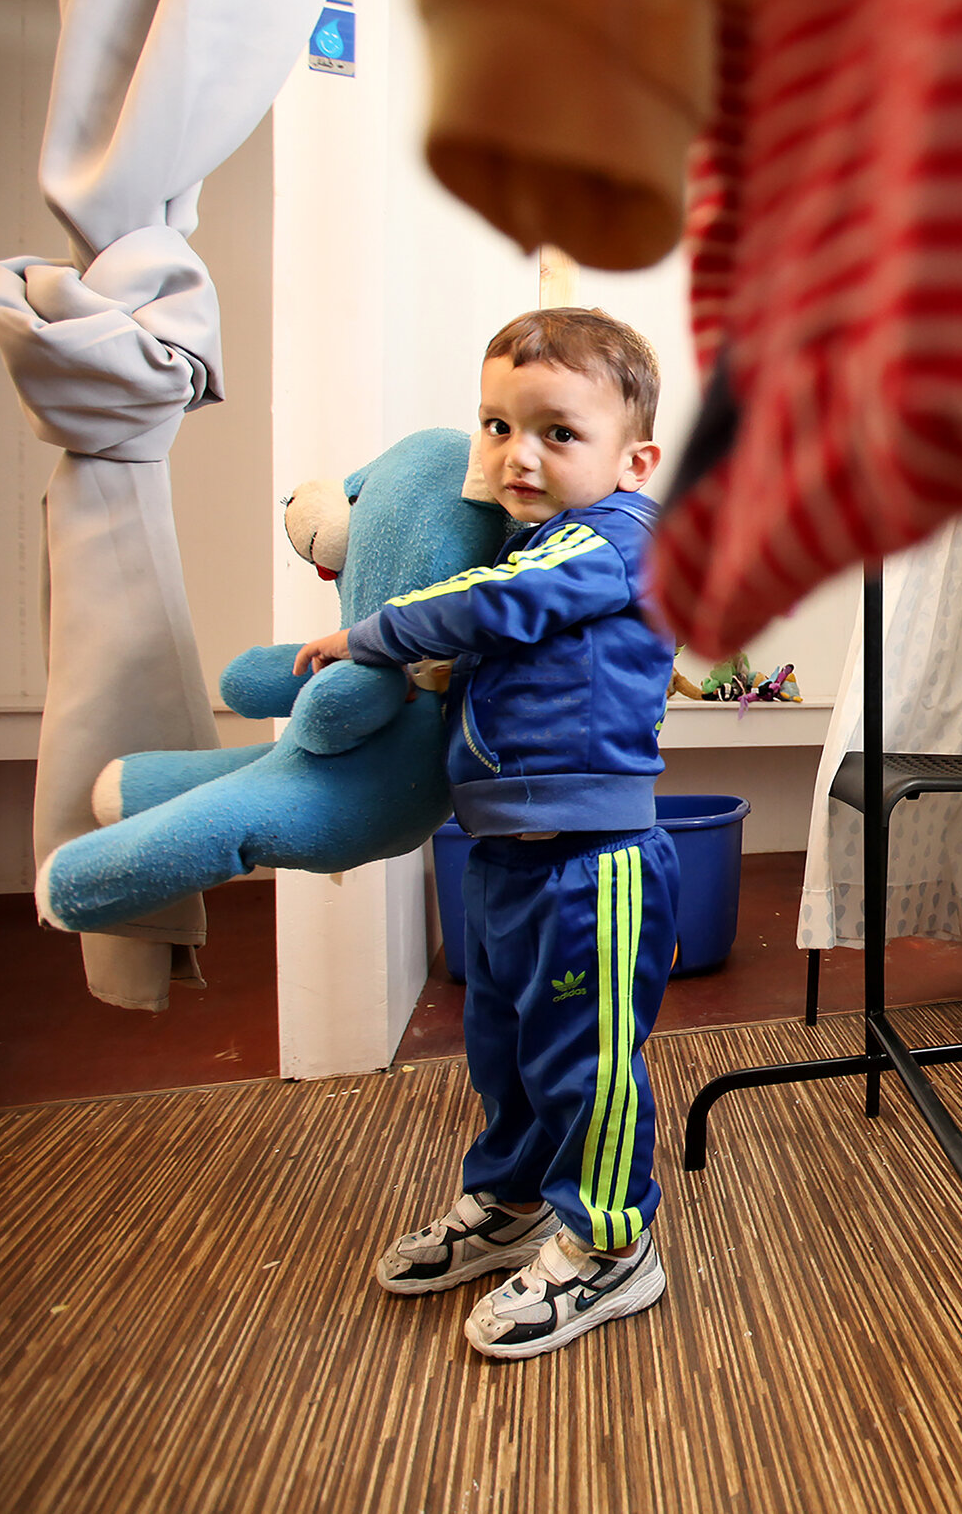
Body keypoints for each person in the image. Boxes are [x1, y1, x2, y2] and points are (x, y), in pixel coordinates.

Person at [294, 307, 677, 1360]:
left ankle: (611, 1242)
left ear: (632, 460)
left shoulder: (620, 539)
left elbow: (493, 604)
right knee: (503, 1050)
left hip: (593, 862)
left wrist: (370, 631)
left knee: (585, 1061)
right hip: (503, 851)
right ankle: (510, 1199)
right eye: (497, 425)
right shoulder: (542, 540)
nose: (519, 454)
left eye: (558, 432)